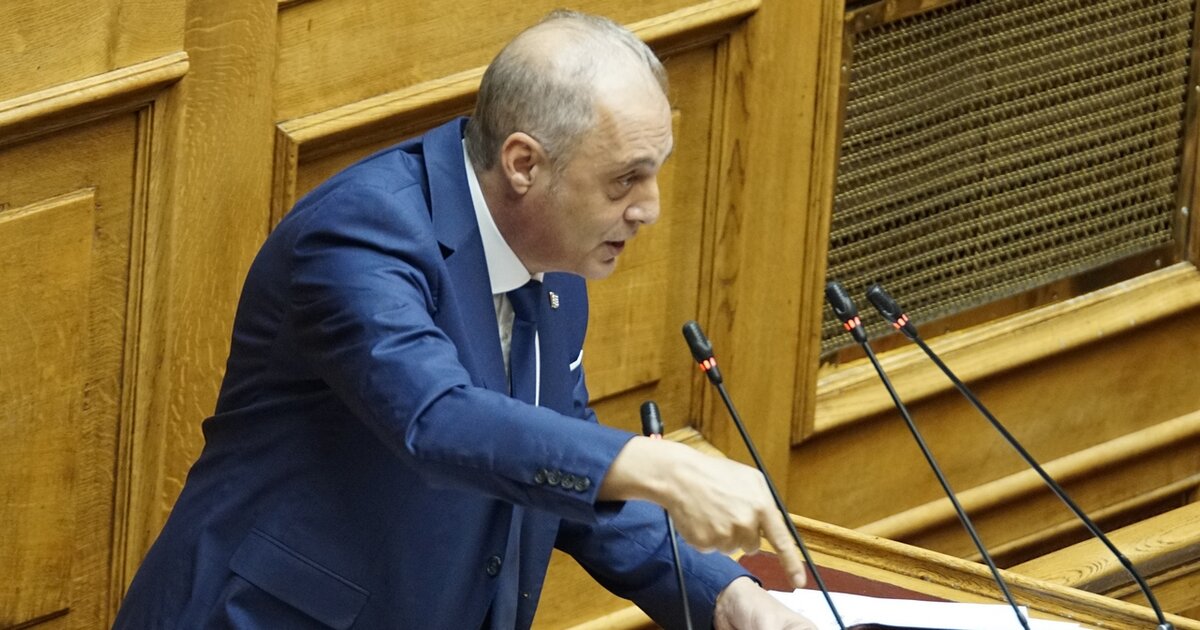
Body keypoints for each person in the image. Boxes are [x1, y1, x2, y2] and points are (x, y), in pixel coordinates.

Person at [114, 10, 817, 630]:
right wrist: (658, 466)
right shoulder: (360, 235)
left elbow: (558, 462)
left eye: (655, 172)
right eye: (624, 179)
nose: (650, 207)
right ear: (523, 164)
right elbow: (437, 420)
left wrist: (724, 595)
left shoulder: (554, 260)